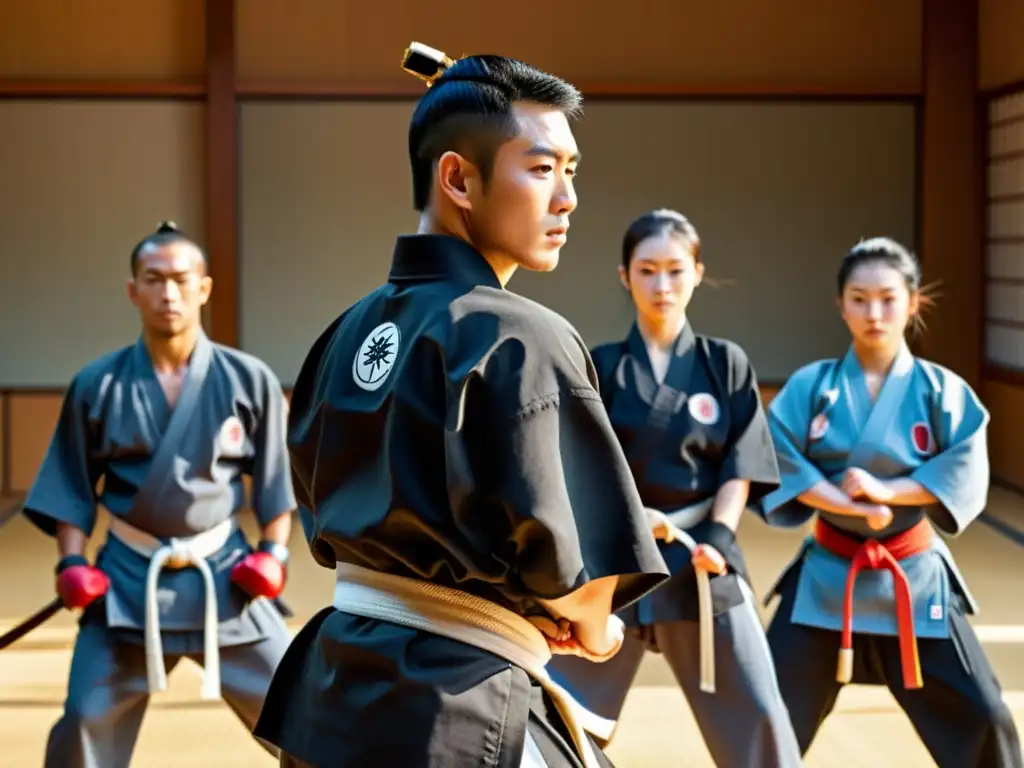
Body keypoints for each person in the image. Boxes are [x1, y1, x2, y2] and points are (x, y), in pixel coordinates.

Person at [251, 42, 671, 768]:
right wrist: (592, 627)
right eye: (542, 169)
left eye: (571, 173)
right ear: (459, 180)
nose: (567, 198)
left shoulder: (344, 331)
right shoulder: (523, 336)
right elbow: (582, 579)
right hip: (456, 704)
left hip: (339, 685)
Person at [20, 221, 299, 768]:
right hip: (126, 578)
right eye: (153, 279)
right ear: (133, 290)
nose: (168, 293)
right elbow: (70, 485)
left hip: (225, 574)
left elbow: (275, 484)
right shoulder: (97, 383)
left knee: (305, 715)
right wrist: (70, 563)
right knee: (83, 719)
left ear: (204, 288)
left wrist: (275, 553)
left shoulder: (249, 378)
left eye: (180, 278)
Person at [545, 209, 802, 767]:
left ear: (697, 272)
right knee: (552, 708)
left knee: (758, 716)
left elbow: (743, 461)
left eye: (676, 271)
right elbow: (579, 467)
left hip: (700, 559)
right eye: (648, 271)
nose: (662, 286)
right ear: (625, 276)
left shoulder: (724, 364)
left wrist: (717, 535)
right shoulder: (602, 366)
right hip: (619, 563)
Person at [759, 237, 1023, 767]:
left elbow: (964, 466)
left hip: (914, 576)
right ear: (841, 305)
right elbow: (776, 455)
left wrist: (888, 493)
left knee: (987, 717)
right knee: (765, 717)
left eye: (887, 298)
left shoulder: (940, 390)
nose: (874, 313)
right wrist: (844, 501)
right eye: (859, 299)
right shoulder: (814, 386)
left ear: (913, 301)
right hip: (827, 578)